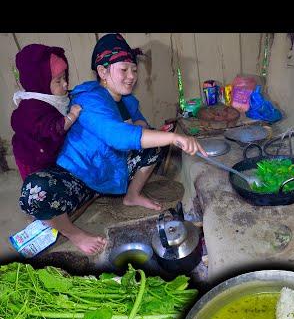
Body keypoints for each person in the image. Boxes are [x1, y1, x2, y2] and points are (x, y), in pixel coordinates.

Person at [19, 33, 207, 255]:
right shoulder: (88, 99)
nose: (131, 77)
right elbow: (116, 136)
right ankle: (74, 233)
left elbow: (139, 123)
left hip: (110, 171)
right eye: (124, 70)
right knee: (35, 190)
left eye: (134, 70)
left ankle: (132, 195)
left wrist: (149, 130)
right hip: (76, 176)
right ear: (103, 71)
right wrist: (174, 137)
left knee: (152, 145)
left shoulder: (126, 100)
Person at [11, 44, 82, 180]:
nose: (65, 84)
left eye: (65, 77)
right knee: (38, 182)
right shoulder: (32, 107)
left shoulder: (54, 98)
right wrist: (72, 116)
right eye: (58, 81)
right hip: (32, 157)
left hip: (48, 150)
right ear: (40, 83)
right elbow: (52, 128)